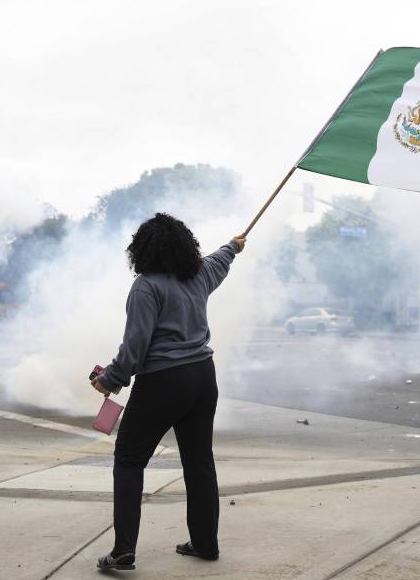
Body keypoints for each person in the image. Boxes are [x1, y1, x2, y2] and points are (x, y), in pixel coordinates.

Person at [91, 213, 246, 572]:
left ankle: (123, 550)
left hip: (163, 381)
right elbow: (218, 260)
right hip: (203, 377)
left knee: (129, 460)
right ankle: (205, 543)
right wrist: (233, 247)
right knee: (199, 461)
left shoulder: (146, 287)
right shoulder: (199, 274)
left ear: (142, 250)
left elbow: (135, 346)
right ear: (184, 245)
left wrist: (110, 379)